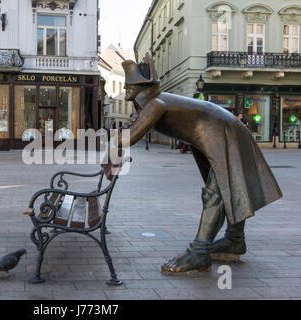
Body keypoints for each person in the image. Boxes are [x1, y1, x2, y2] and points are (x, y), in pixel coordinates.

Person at [113, 53, 282, 273]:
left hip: (222, 131)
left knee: (219, 190)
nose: (126, 88)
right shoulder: (151, 103)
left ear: (144, 86)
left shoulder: (155, 104)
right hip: (220, 130)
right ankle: (234, 240)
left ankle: (200, 252)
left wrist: (100, 136)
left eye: (130, 85)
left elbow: (128, 138)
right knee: (229, 186)